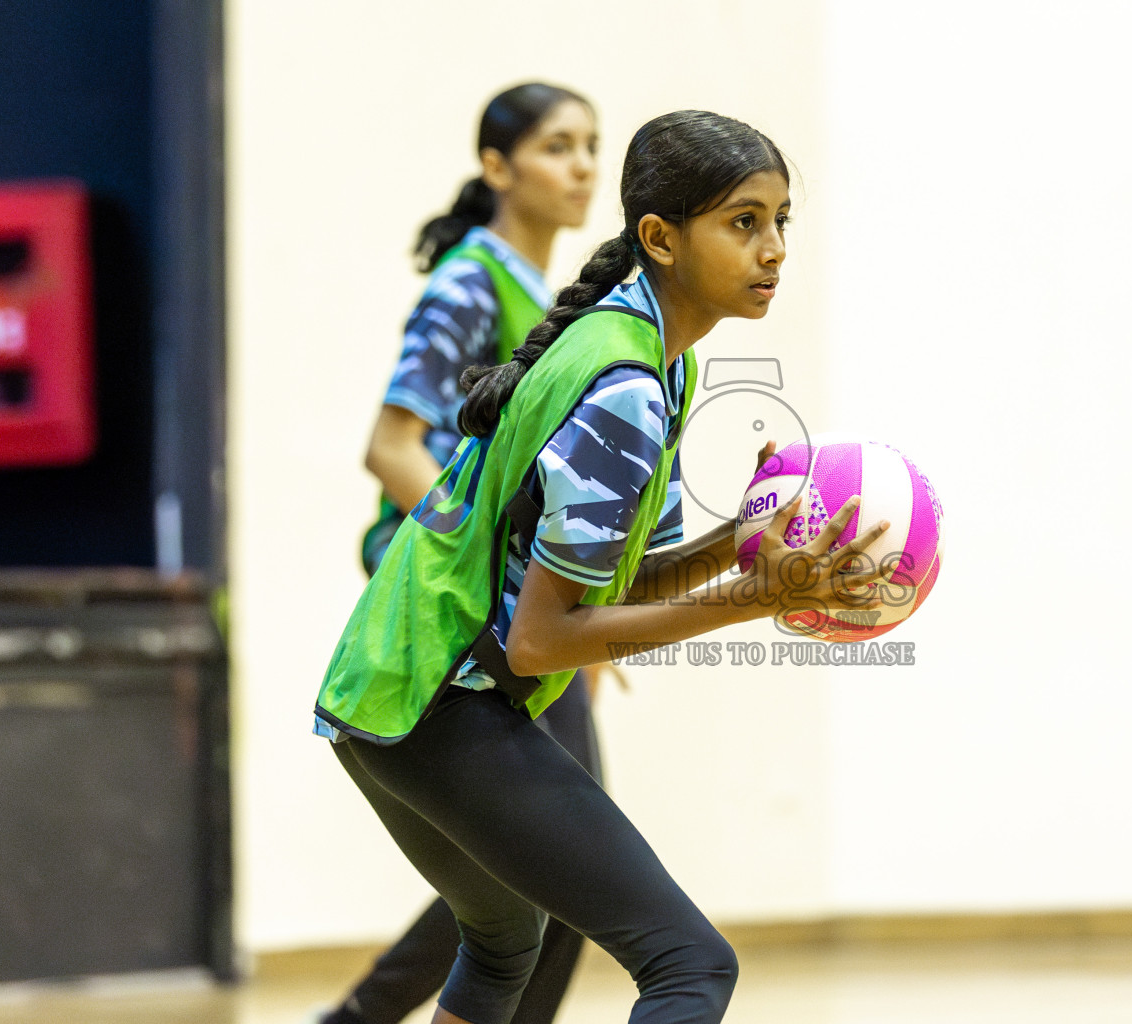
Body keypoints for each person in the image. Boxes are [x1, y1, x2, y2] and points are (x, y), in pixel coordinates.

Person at [312, 109, 893, 1024]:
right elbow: (543, 640)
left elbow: (617, 582)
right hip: (434, 698)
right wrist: (754, 596)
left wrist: (734, 541)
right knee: (689, 963)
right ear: (660, 238)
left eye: (781, 221)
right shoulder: (623, 384)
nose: (774, 248)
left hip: (386, 687)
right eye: (743, 222)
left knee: (505, 941)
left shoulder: (652, 357)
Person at [317, 82, 625, 1024]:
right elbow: (392, 448)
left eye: (590, 145)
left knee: (545, 873)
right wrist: (507, 579)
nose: (582, 166)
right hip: (462, 610)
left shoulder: (555, 300)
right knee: (560, 867)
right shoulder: (468, 282)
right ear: (497, 167)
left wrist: (576, 606)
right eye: (556, 146)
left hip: (517, 606)